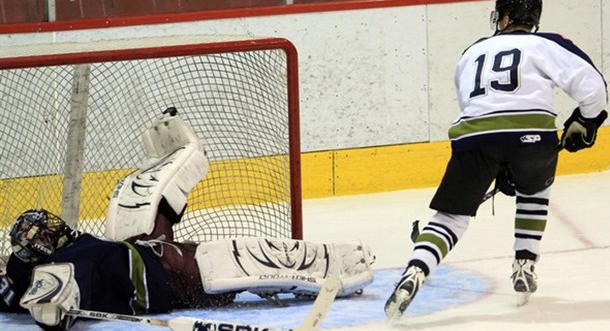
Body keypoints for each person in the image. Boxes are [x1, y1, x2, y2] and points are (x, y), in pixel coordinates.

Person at [0, 108, 375, 330]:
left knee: (139, 207)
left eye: (46, 225)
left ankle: (164, 172)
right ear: (38, 252)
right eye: (42, 235)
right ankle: (331, 264)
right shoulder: (54, 272)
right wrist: (50, 309)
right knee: (232, 258)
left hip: (139, 251)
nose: (51, 230)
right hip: (165, 280)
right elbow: (51, 314)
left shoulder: (20, 267)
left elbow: (8, 288)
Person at [384, 0, 608, 319]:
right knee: (534, 189)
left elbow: (473, 105)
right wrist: (586, 122)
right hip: (533, 136)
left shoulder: (471, 51)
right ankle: (524, 265)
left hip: (473, 137)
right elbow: (594, 88)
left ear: (503, 17)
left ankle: (416, 270)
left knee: (452, 218)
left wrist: (495, 158)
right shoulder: (546, 42)